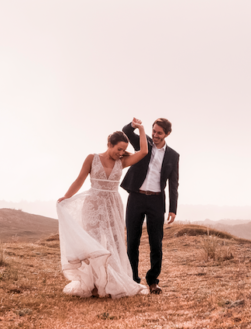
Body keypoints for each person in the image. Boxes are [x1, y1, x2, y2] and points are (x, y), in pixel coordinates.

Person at [55, 119, 150, 298]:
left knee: (114, 242)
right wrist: (66, 197)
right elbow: (80, 179)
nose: (121, 153)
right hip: (93, 205)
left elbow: (144, 151)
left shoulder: (122, 162)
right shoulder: (92, 158)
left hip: (113, 205)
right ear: (109, 144)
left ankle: (111, 282)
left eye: (123, 150)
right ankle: (93, 283)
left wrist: (141, 129)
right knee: (93, 243)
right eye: (118, 149)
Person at [121, 117, 179, 294]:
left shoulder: (173, 156)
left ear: (167, 134)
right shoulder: (143, 142)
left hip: (156, 201)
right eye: (154, 131)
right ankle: (133, 280)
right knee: (132, 241)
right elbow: (126, 131)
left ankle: (153, 281)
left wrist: (172, 209)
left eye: (159, 133)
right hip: (136, 197)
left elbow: (173, 183)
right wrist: (136, 126)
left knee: (156, 243)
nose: (155, 135)